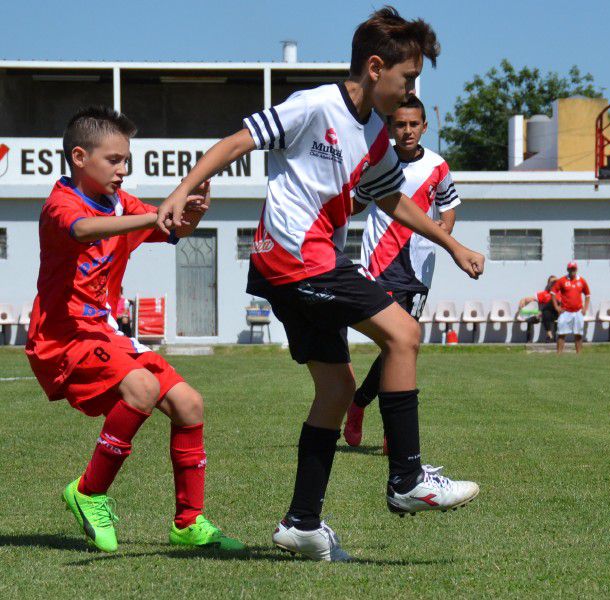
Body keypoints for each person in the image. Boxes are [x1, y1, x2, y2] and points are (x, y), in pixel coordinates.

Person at [154, 7, 484, 561]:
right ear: (376, 68)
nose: (411, 90)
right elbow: (237, 142)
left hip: (304, 264)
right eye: (408, 78)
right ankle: (407, 480)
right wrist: (180, 189)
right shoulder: (314, 105)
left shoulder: (376, 136)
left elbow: (391, 198)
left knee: (335, 390)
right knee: (403, 334)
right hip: (294, 259)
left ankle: (302, 524)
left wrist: (452, 244)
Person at [25, 106, 243, 553]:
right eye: (114, 160)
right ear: (80, 157)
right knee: (141, 388)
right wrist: (155, 214)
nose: (123, 170)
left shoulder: (123, 204)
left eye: (127, 160)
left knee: (189, 403)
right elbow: (84, 229)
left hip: (103, 332)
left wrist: (193, 210)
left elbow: (173, 229)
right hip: (64, 336)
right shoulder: (61, 203)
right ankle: (88, 492)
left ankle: (188, 523)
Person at [343, 94, 460, 448]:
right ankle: (391, 425)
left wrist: (444, 231)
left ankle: (360, 403)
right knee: (394, 342)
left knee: (400, 345)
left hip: (419, 270)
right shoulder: (379, 161)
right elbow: (356, 203)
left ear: (425, 127)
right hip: (380, 264)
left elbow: (449, 207)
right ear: (390, 127)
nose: (407, 131)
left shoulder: (438, 166)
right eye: (400, 124)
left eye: (413, 124)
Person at [551, 262, 591, 354]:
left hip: (578, 312)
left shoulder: (581, 281)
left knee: (578, 334)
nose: (572, 271)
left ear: (576, 269)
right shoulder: (562, 280)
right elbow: (553, 293)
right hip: (565, 312)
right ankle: (559, 354)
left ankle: (579, 355)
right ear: (567, 270)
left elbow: (588, 295)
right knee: (561, 333)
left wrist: (585, 308)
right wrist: (557, 307)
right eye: (571, 269)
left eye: (574, 269)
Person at [516, 275, 559, 342]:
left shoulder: (562, 293)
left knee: (551, 303)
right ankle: (549, 336)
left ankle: (538, 316)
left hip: (559, 314)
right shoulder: (544, 294)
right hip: (547, 315)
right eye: (552, 282)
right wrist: (523, 300)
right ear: (548, 284)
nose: (554, 284)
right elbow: (528, 299)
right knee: (545, 312)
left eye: (555, 282)